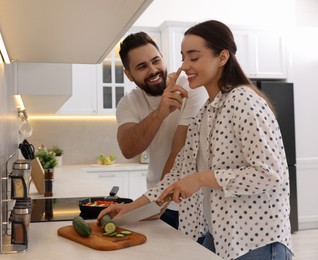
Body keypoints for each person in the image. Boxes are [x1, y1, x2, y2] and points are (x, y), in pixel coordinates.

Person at [99, 20, 293, 260]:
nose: (184, 66)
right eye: (183, 57)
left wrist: (201, 178)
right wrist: (131, 208)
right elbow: (180, 171)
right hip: (222, 237)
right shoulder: (206, 111)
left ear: (222, 57)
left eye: (194, 58)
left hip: (258, 242)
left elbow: (270, 173)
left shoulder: (245, 101)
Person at [115, 32, 208, 229]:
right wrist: (161, 112)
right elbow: (128, 149)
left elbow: (179, 152)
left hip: (191, 205)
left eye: (156, 61)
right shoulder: (128, 103)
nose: (153, 70)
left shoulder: (192, 88)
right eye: (142, 67)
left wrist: (154, 204)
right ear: (129, 74)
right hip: (158, 202)